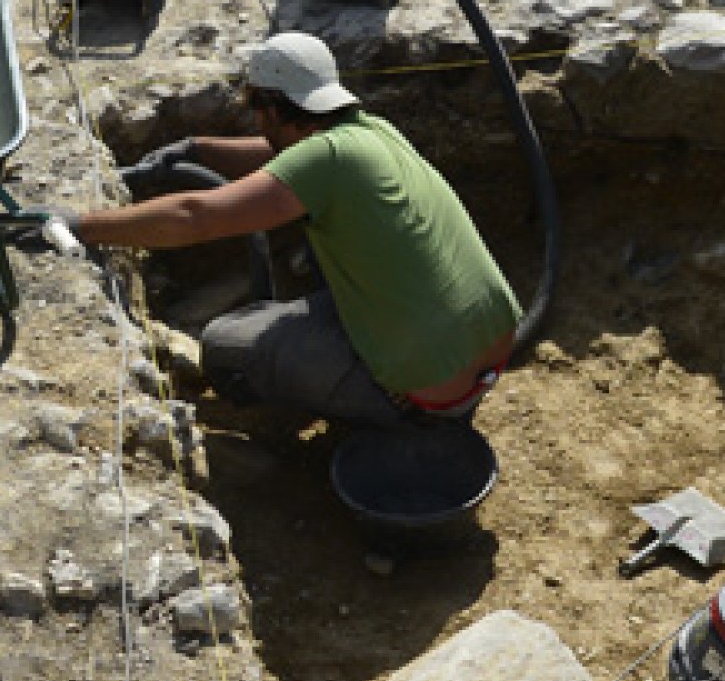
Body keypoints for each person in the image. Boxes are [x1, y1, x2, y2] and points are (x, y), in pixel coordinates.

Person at [68, 31, 520, 428]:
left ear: (271, 107)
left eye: (255, 107)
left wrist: (84, 226)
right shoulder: (372, 132)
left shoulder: (324, 160)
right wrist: (198, 150)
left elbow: (198, 216)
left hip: (429, 394)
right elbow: (282, 163)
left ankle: (398, 422)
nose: (255, 121)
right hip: (489, 355)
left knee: (226, 347)